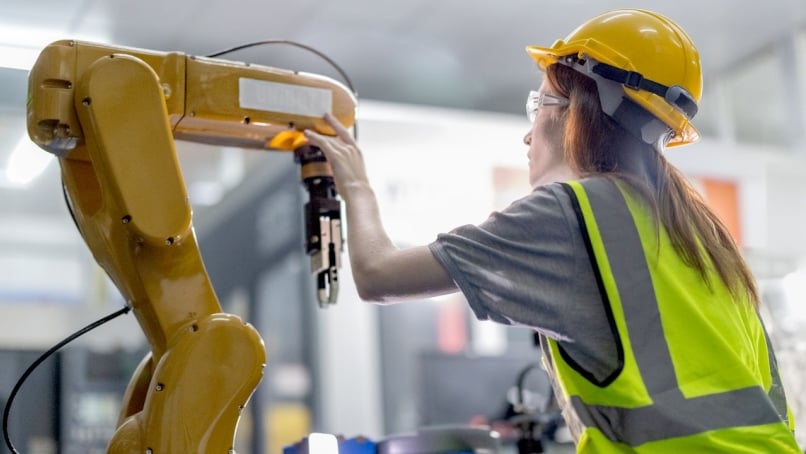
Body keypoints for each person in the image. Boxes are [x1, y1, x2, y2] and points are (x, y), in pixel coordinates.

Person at [303, 8, 801, 453]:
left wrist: (356, 186)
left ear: (576, 111)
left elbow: (377, 275)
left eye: (539, 104)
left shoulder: (573, 214)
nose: (528, 133)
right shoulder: (704, 235)